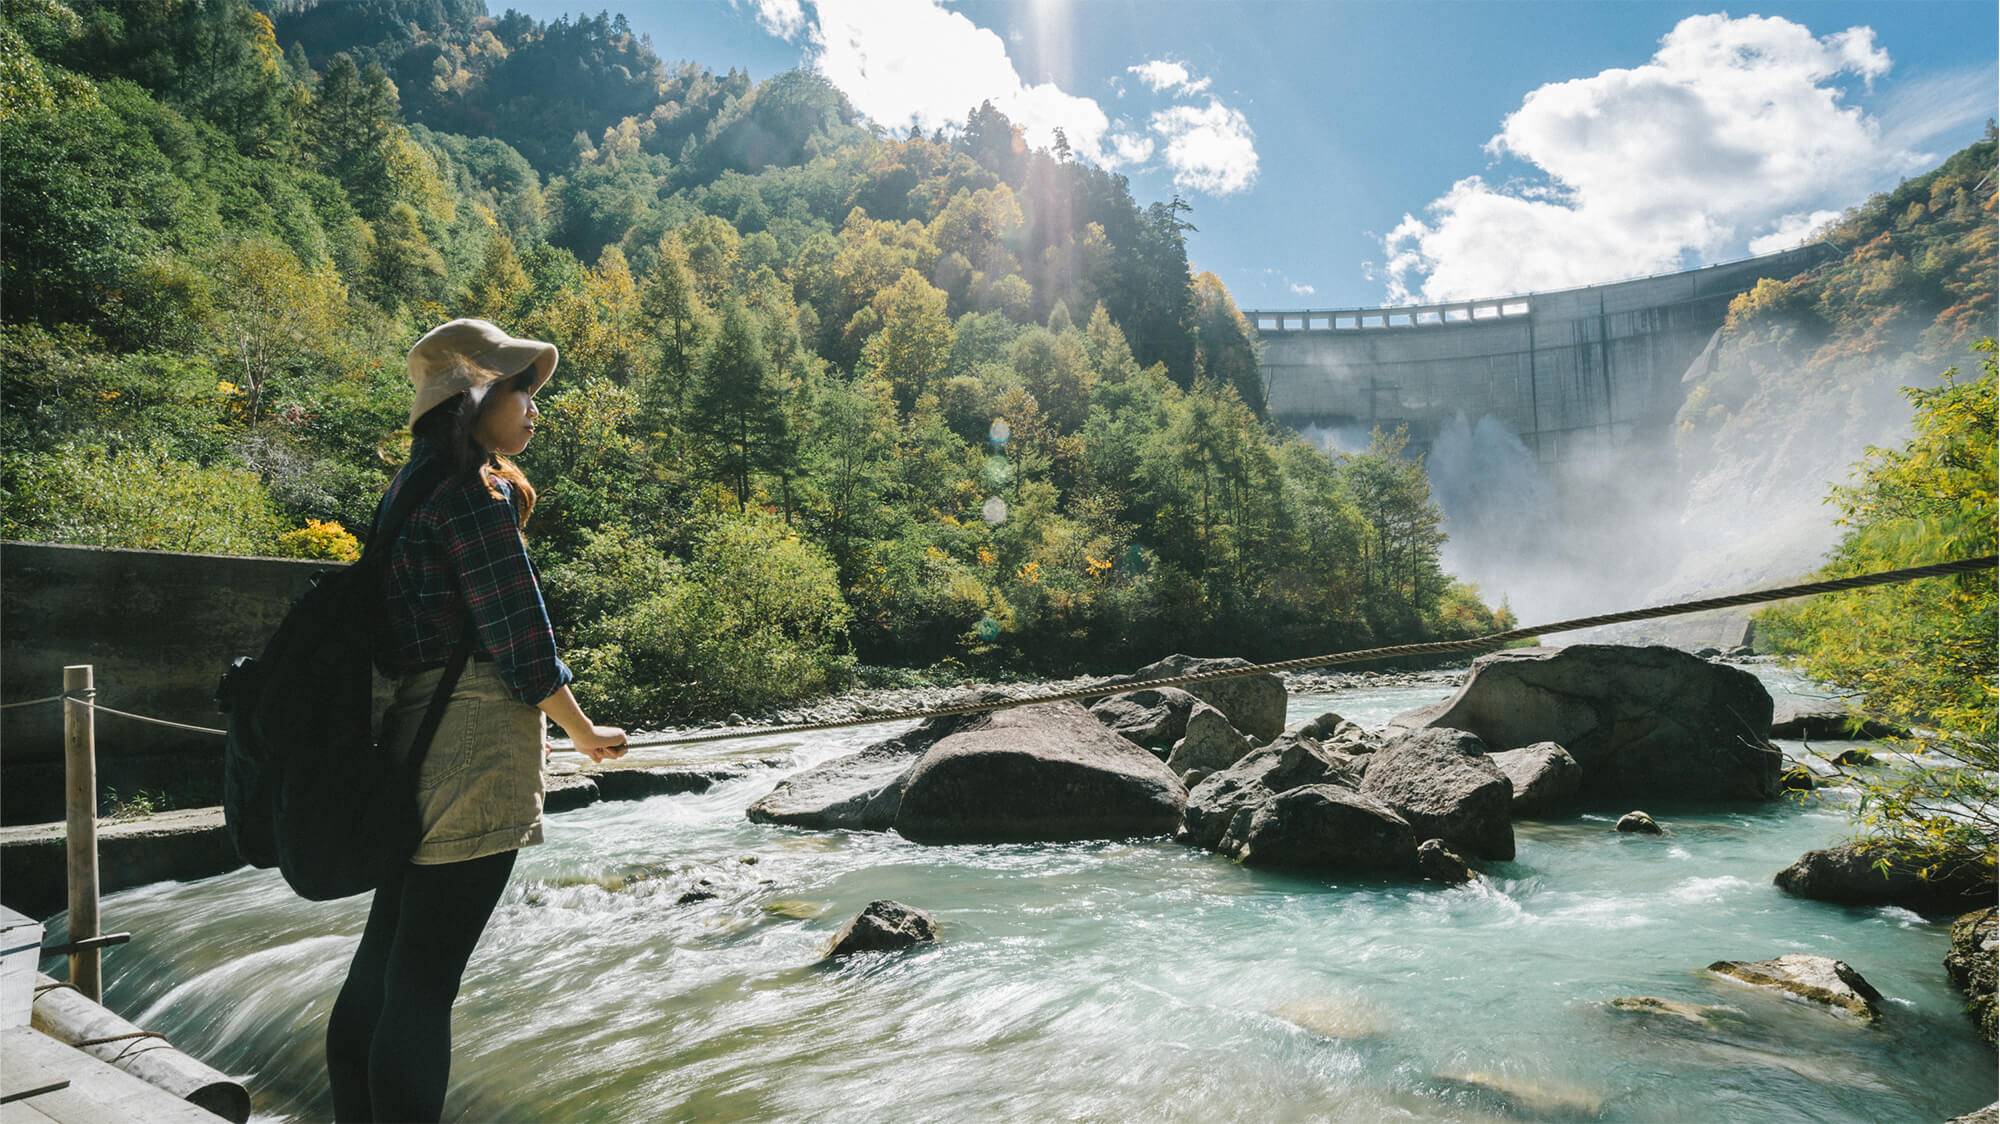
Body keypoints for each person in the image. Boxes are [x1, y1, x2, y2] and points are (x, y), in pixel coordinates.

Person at [326, 319, 628, 1122]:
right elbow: (522, 642)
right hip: (471, 743)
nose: (536, 407)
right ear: (472, 400)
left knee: (383, 965)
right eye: (519, 389)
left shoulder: (407, 490)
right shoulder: (473, 496)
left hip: (410, 737)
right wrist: (582, 731)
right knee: (425, 986)